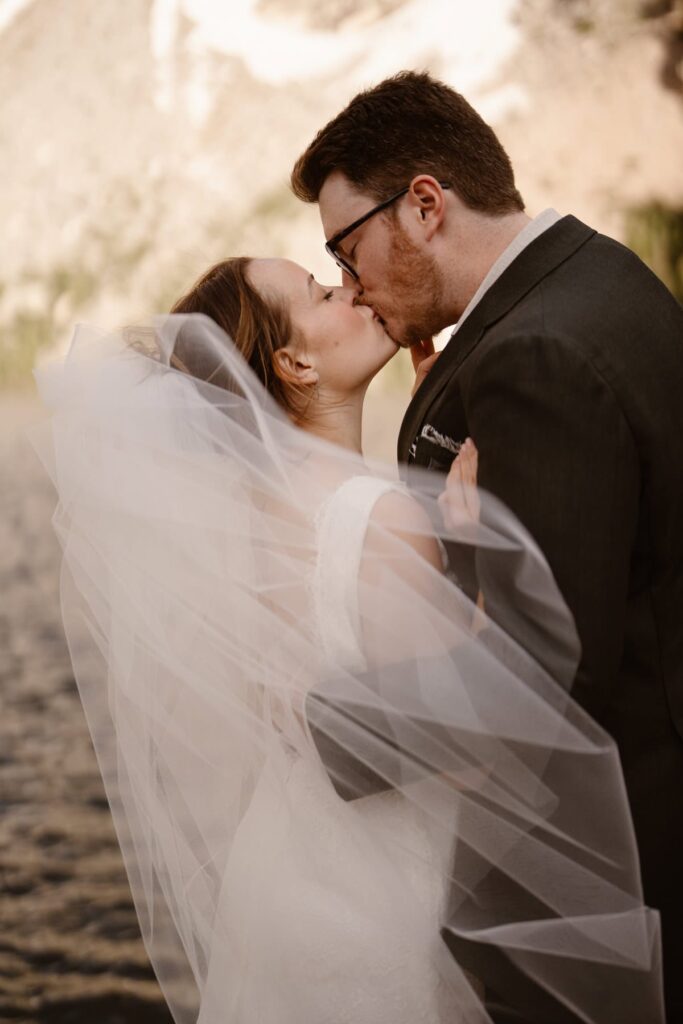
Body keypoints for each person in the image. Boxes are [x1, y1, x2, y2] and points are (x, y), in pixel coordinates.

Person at [33, 257, 663, 1024]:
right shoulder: (377, 517)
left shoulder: (235, 516)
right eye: (322, 294)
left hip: (283, 873)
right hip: (380, 891)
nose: (352, 291)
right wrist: (473, 546)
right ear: (293, 362)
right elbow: (460, 744)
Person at [291, 69, 683, 1024]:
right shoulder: (602, 274)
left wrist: (320, 734)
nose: (349, 282)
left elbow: (544, 670)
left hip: (600, 877)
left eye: (347, 248)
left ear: (423, 206)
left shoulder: (532, 355)